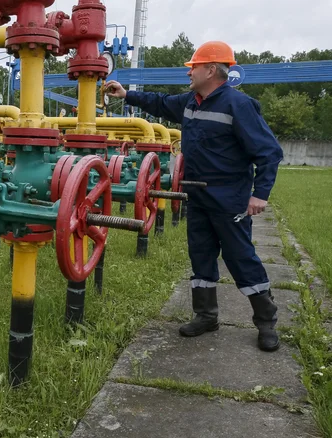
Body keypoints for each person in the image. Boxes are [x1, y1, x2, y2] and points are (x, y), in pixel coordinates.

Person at [105, 41, 283, 351]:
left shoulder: (238, 105)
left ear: (211, 70)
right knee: (200, 255)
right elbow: (159, 103)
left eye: (194, 67)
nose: (189, 71)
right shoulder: (191, 101)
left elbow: (269, 152)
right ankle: (206, 316)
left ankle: (266, 321)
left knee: (240, 258)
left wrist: (260, 194)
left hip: (229, 198)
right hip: (196, 196)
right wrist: (127, 94)